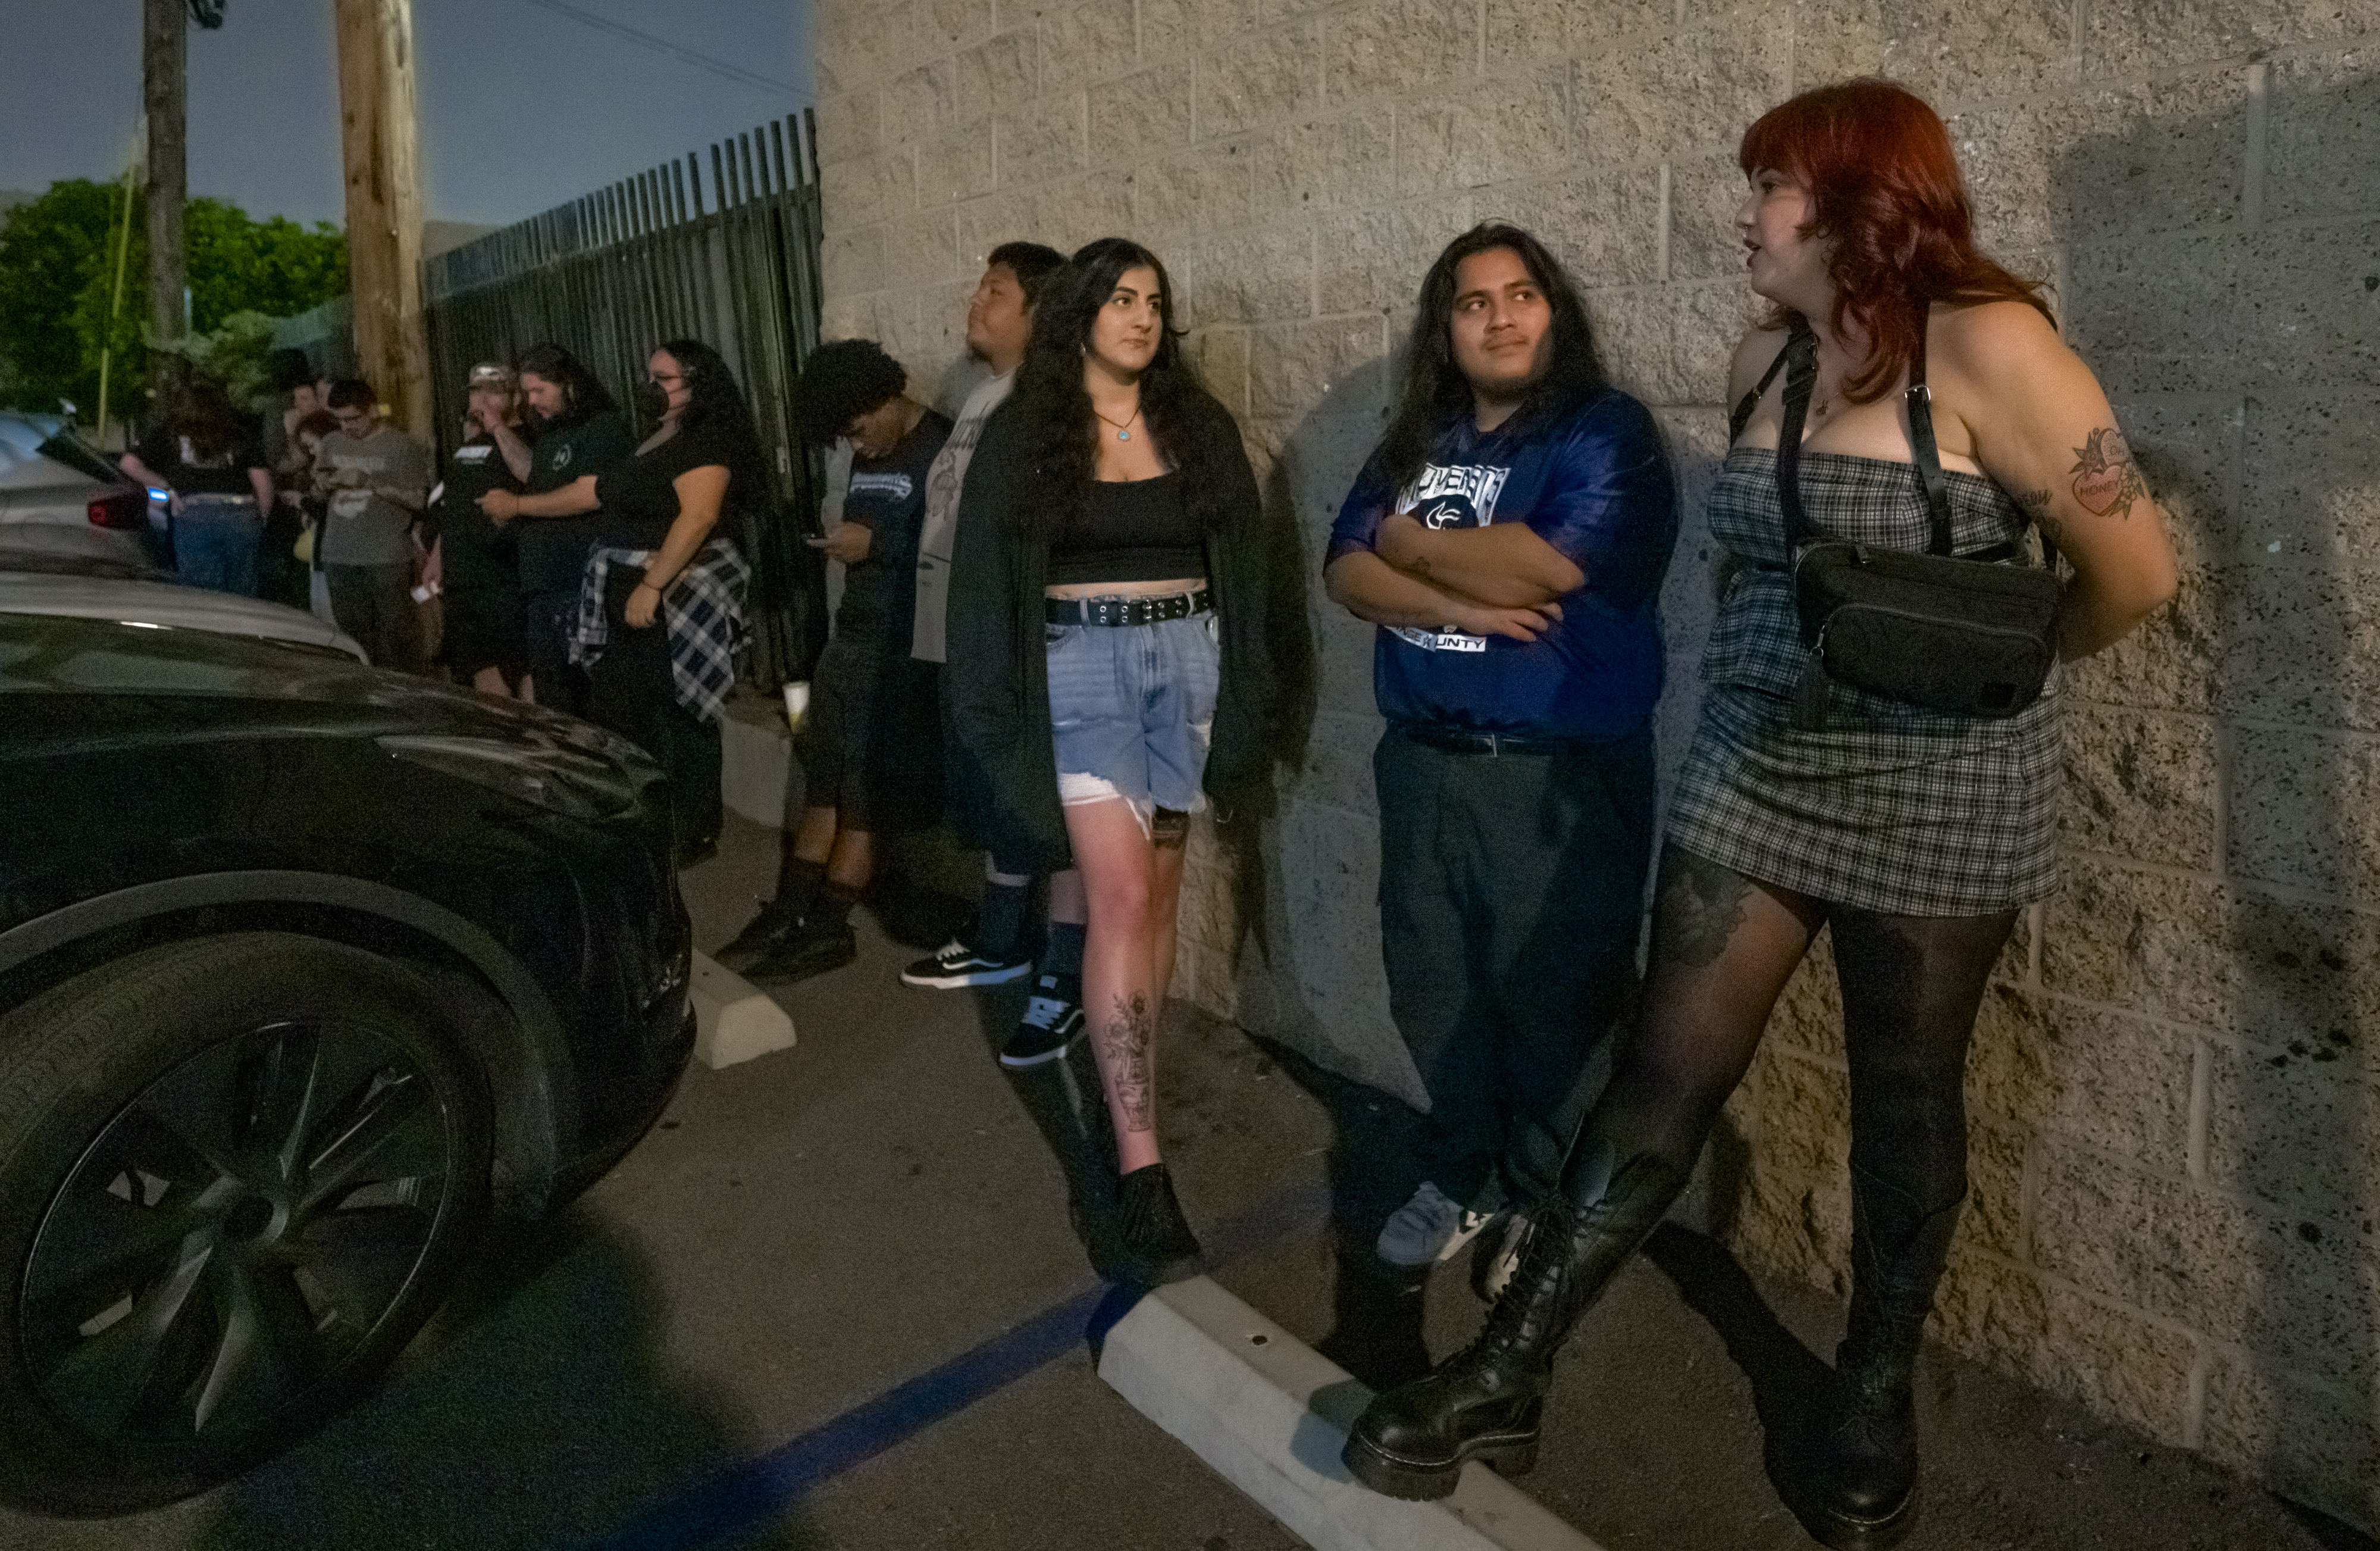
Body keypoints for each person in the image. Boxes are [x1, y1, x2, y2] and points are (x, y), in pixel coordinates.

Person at [1343, 80, 2181, 1539]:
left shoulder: (1993, 348)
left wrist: (1999, 670)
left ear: (1857, 200)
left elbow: (2135, 579)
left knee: (1903, 1101)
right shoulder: (1767, 360)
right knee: (1660, 1068)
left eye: (1772, 187)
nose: (1747, 215)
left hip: (1941, 798)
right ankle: (1511, 1361)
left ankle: (1871, 1384)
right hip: (1755, 773)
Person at [1323, 225, 1678, 1286]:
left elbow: (1543, 566)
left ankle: (1548, 1201)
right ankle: (1466, 1170)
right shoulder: (1415, 438)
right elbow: (1344, 571)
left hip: (1554, 777)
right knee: (1436, 986)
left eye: (1522, 295)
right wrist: (1436, 593)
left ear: (1554, 310)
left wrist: (1411, 543)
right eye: (1474, 302)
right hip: (1424, 761)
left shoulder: (1601, 432)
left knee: (1558, 1000)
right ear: (1446, 327)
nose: (1502, 317)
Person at [948, 237, 1277, 1283]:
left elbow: (1247, 564)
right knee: (1122, 899)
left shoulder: (1197, 423)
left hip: (1189, 666)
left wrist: (1251, 692)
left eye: (1154, 301)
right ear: (1079, 311)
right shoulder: (1026, 434)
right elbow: (987, 589)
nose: (1142, 316)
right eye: (1122, 298)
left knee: (1159, 905)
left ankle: (1131, 1111)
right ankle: (1141, 1163)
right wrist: (997, 719)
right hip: (1080, 667)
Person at [892, 243, 1094, 1066]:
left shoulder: (1050, 404)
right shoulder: (983, 395)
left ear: (1042, 310)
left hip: (1020, 644)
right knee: (999, 794)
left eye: (997, 291)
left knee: (1059, 808)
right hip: (962, 633)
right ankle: (1002, 937)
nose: (978, 301)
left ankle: (1067, 976)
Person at [719, 339, 953, 983]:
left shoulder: (942, 447)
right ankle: (791, 911)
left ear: (887, 397)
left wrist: (875, 543)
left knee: (863, 794)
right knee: (824, 780)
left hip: (899, 645)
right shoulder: (866, 452)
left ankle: (827, 928)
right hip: (851, 635)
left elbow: (957, 552)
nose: (859, 447)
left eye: (858, 429)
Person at [482, 340, 756, 863]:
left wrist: (653, 584)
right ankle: (649, 823)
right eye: (649, 377)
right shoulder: (657, 437)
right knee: (629, 713)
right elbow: (597, 491)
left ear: (698, 381)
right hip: (627, 588)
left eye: (665, 379)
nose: (651, 389)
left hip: (668, 594)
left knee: (678, 716)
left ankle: (690, 830)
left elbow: (697, 516)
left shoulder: (705, 438)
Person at [497, 343, 636, 715]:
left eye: (540, 390)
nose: (533, 400)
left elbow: (588, 494)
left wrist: (517, 506)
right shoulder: (551, 433)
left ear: (568, 383)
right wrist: (496, 426)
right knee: (555, 706)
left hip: (577, 588)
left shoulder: (603, 428)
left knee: (593, 705)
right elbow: (536, 475)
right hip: (543, 590)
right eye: (527, 393)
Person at [314, 379, 433, 670]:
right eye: (339, 420)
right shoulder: (330, 444)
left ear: (372, 411)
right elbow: (316, 491)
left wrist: (368, 481)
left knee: (397, 637)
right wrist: (323, 483)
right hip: (339, 553)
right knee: (352, 637)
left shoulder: (402, 446)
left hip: (385, 555)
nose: (347, 427)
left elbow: (419, 499)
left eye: (354, 419)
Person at [121, 376, 275, 598]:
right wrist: (262, 518)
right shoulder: (239, 433)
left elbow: (129, 465)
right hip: (241, 515)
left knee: (201, 593)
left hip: (194, 513)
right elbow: (262, 481)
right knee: (244, 591)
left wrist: (168, 487)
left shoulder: (169, 433)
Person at [434, 362, 532, 698]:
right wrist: (436, 556)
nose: (482, 398)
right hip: (464, 580)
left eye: (493, 391)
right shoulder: (468, 443)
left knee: (519, 672)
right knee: (478, 679)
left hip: (505, 580)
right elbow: (453, 504)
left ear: (516, 397)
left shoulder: (529, 436)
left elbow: (531, 474)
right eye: (476, 391)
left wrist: (497, 426)